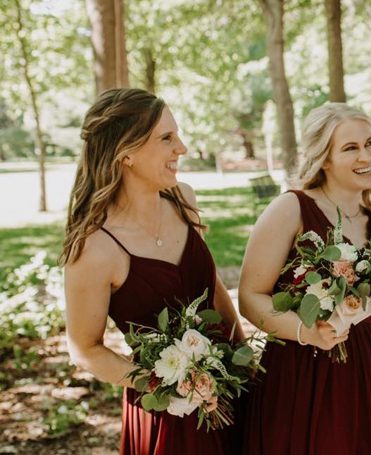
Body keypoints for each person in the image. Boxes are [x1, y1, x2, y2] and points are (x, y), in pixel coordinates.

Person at [63, 88, 244, 454]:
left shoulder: (183, 199)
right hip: (167, 414)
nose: (182, 148)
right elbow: (84, 348)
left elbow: (211, 288)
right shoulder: (95, 247)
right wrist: (166, 384)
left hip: (228, 385)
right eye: (167, 138)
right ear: (125, 153)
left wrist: (243, 357)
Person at [239, 103, 371, 453]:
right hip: (302, 375)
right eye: (350, 148)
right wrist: (305, 331)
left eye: (370, 143)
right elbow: (250, 297)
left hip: (369, 378)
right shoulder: (291, 209)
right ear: (324, 159)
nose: (366, 155)